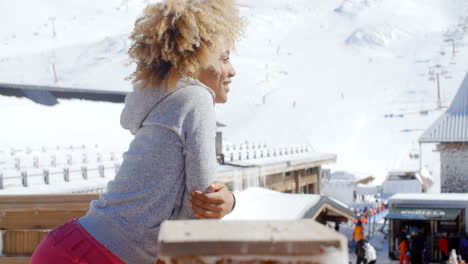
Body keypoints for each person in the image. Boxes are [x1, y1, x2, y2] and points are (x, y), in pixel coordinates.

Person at [31, 0, 244, 263]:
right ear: (193, 61)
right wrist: (229, 202)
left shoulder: (165, 102)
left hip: (65, 244)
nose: (232, 70)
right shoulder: (197, 98)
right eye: (224, 58)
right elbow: (201, 208)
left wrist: (226, 201)